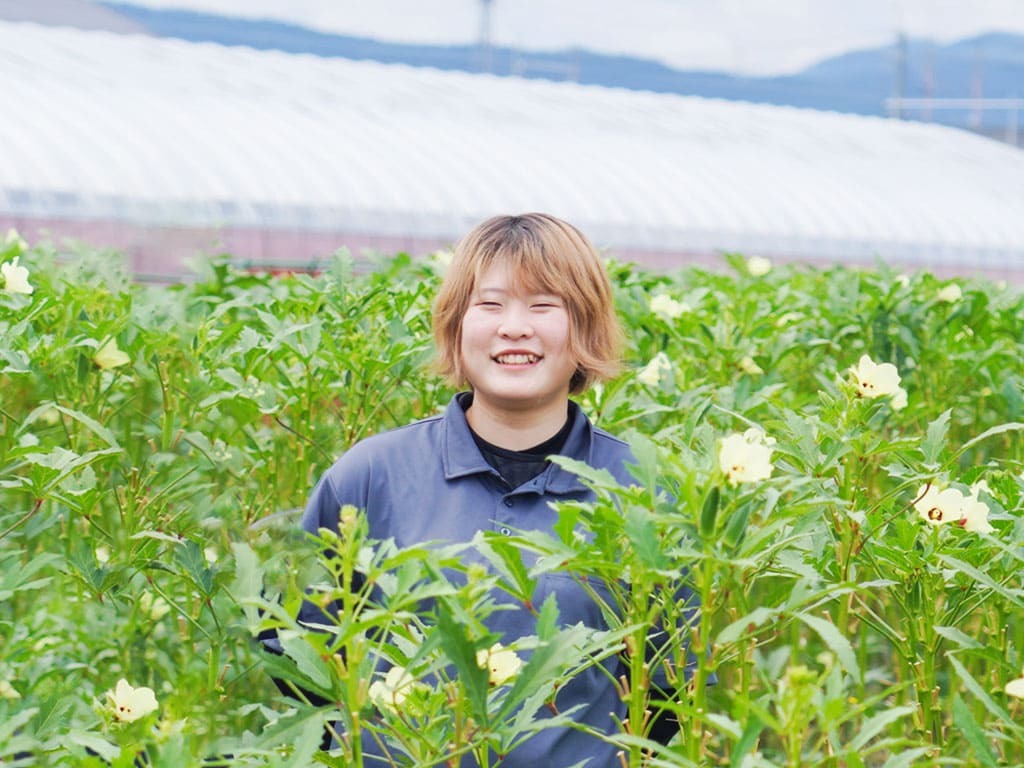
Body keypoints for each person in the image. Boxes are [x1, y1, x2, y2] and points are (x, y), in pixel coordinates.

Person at [294, 213, 690, 765]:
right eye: (491, 303)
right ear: (456, 324)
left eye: (544, 305)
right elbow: (301, 657)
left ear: (585, 329)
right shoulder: (369, 475)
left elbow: (670, 689)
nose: (514, 326)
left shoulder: (645, 490)